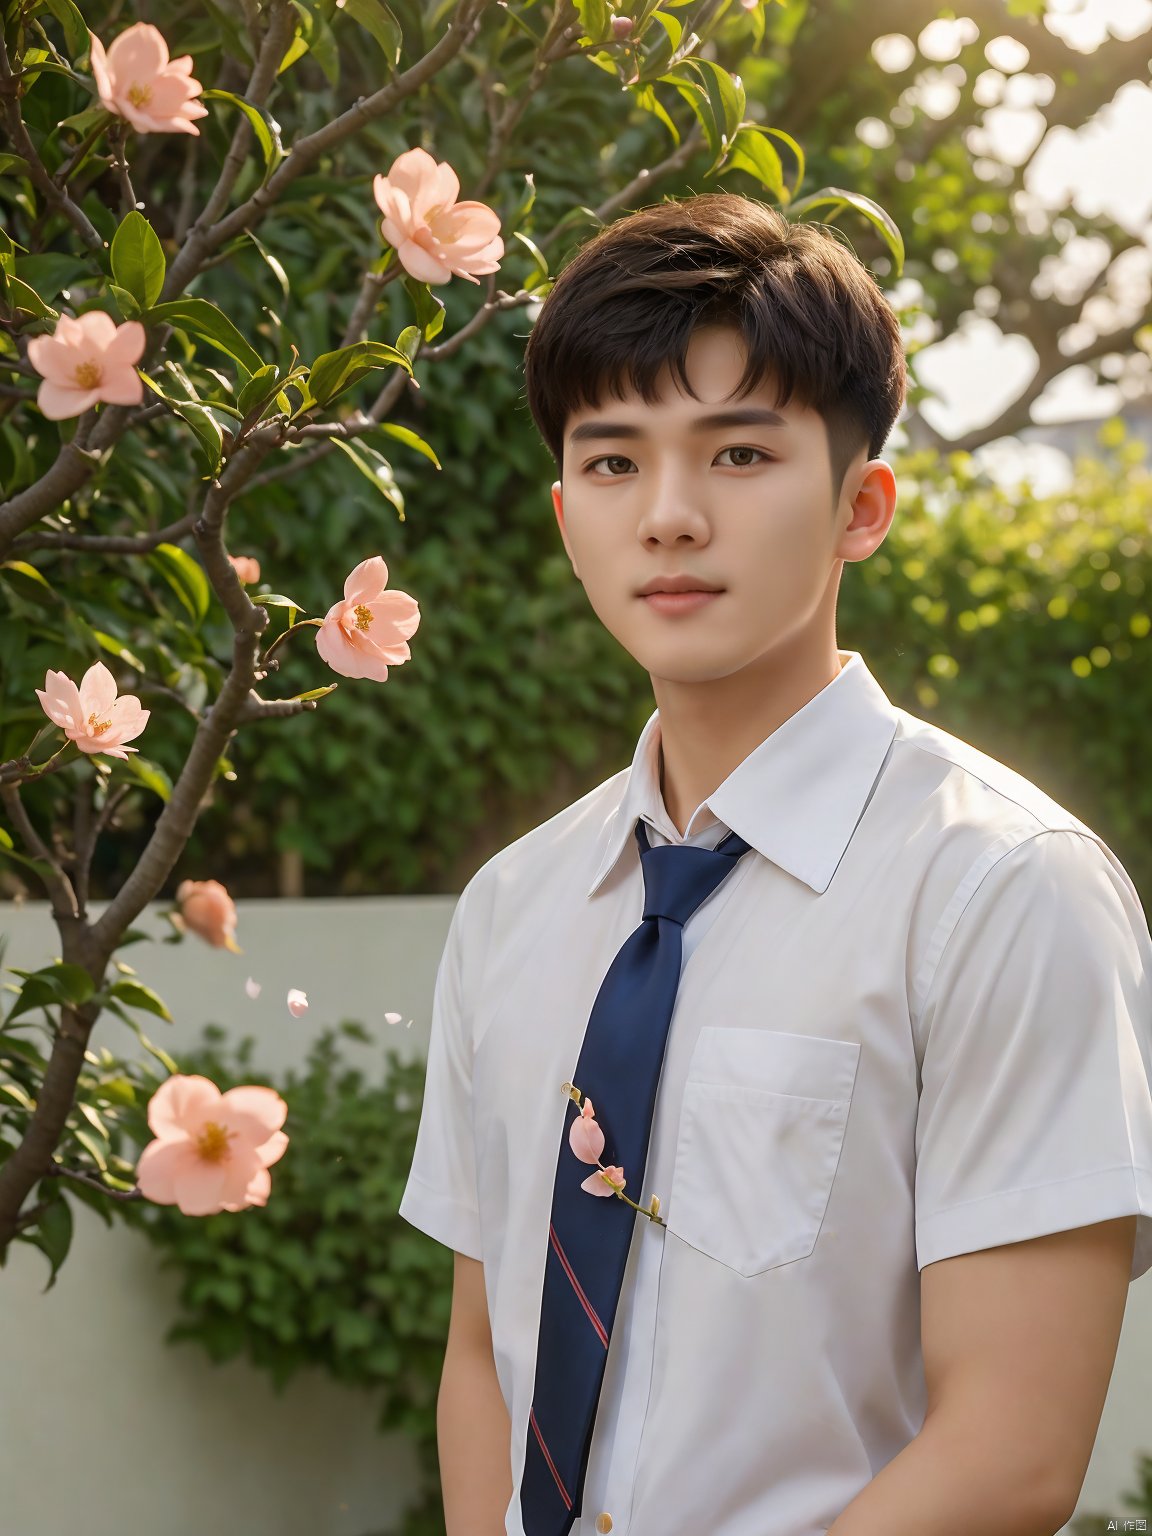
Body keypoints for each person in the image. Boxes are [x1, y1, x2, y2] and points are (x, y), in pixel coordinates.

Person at [398, 192, 1152, 1536]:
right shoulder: (514, 904)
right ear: (565, 508)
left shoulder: (1002, 890)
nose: (671, 516)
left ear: (863, 506)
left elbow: (1015, 1450)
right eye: (615, 461)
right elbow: (483, 1348)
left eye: (739, 456)